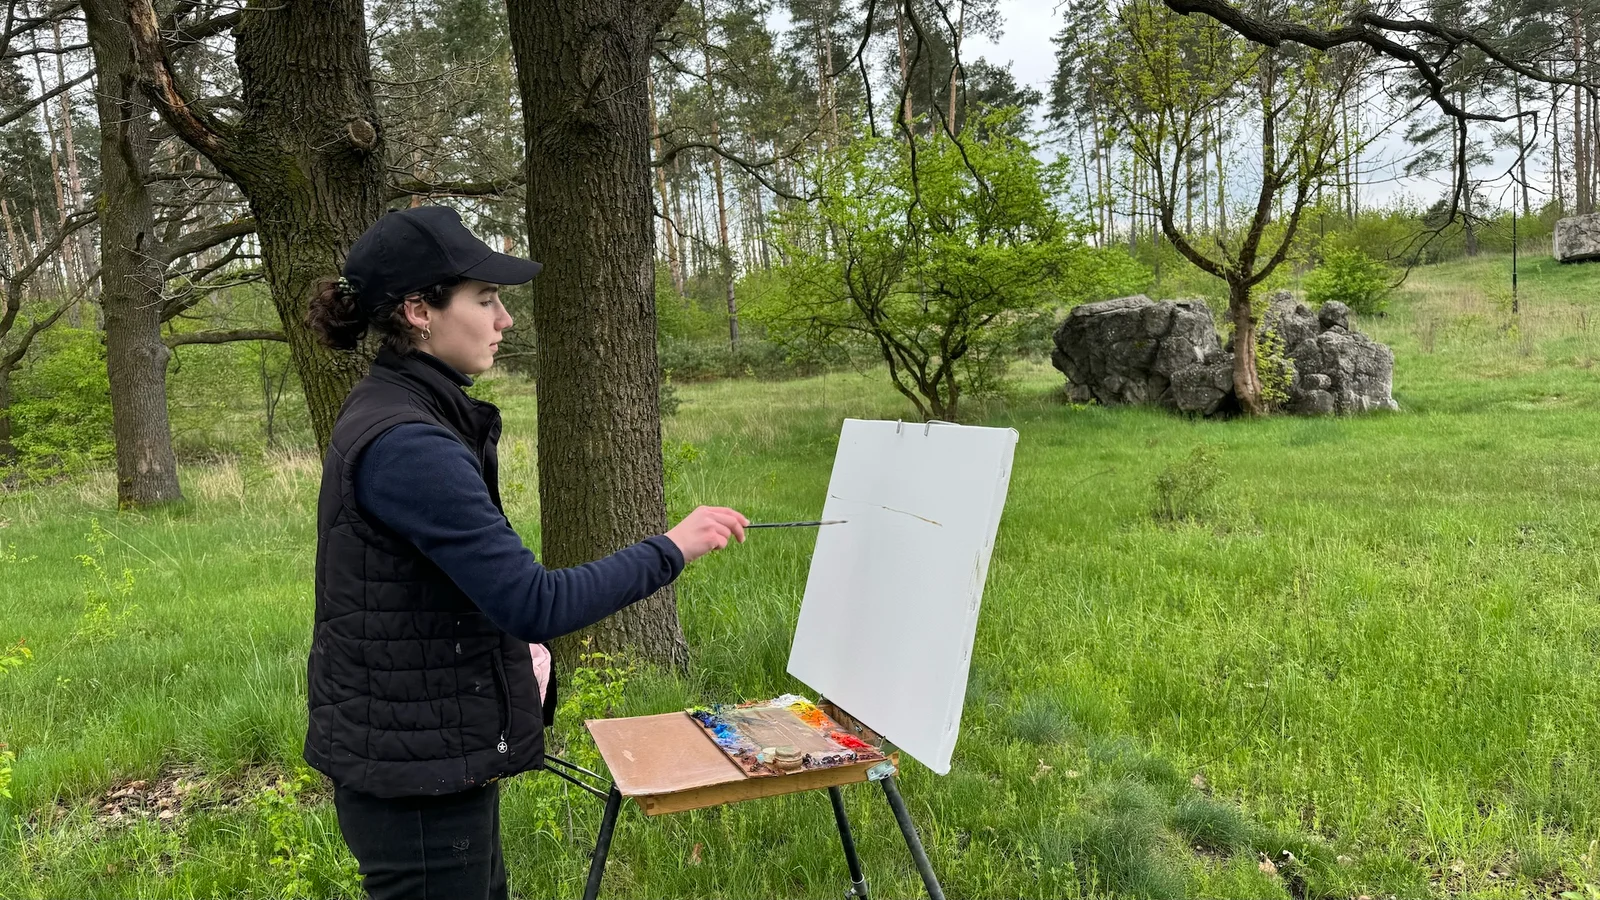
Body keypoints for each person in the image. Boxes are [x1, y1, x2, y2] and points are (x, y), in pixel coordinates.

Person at [302, 205, 746, 900]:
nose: (505, 320)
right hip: (417, 777)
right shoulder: (409, 442)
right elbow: (533, 602)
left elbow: (440, 589)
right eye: (485, 299)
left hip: (425, 753)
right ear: (419, 311)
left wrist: (498, 642)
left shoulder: (410, 409)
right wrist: (672, 549)